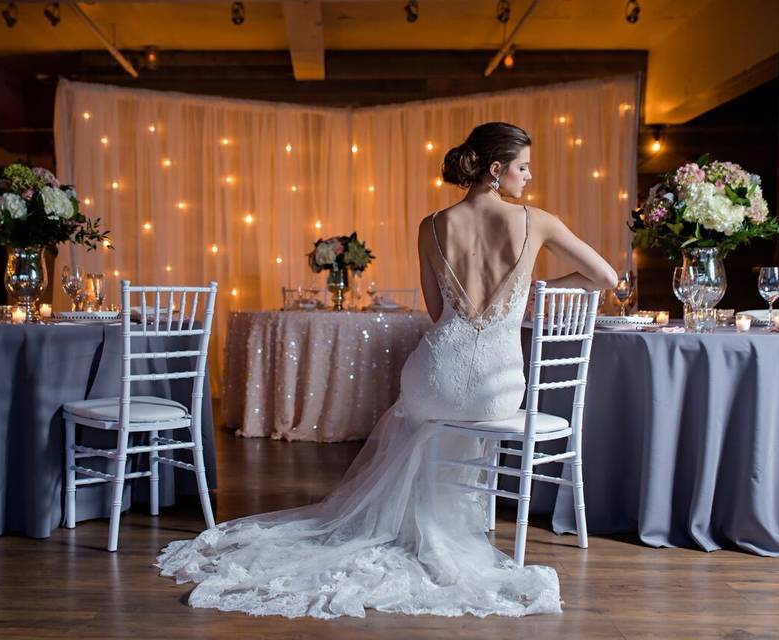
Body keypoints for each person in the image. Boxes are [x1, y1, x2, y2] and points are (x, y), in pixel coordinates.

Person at [157, 122, 618, 619]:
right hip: (496, 389)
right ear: (496, 169)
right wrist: (529, 292)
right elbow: (605, 278)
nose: (528, 177)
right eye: (524, 167)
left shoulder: (432, 224)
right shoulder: (537, 221)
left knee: (420, 415)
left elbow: (439, 313)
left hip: (435, 375)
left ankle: (414, 525)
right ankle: (437, 530)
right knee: (456, 414)